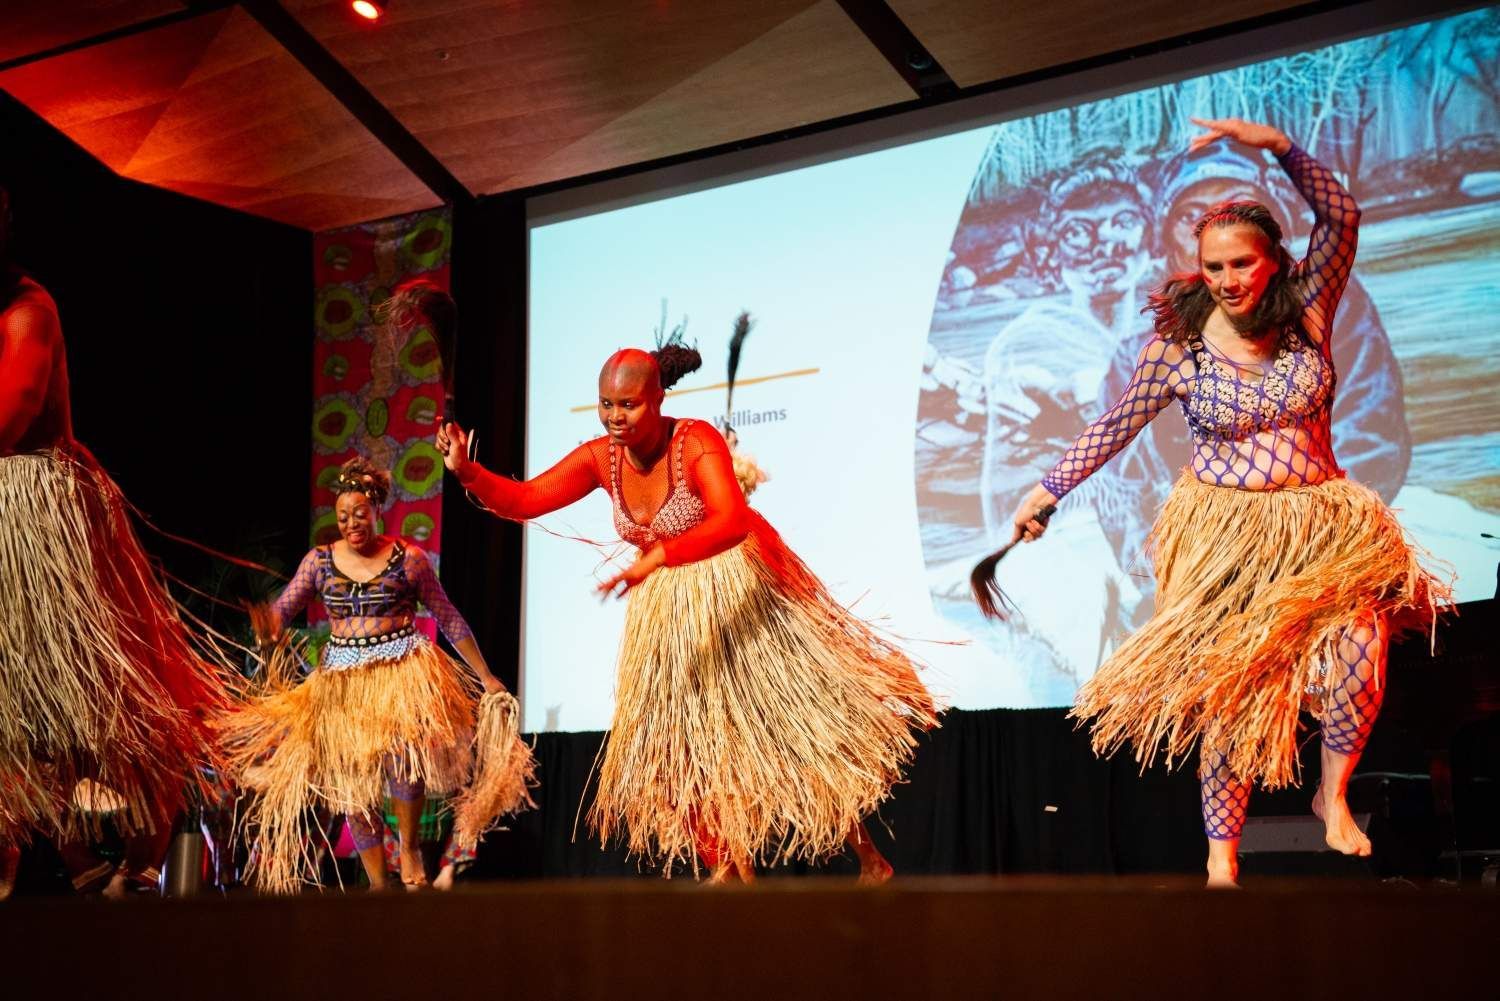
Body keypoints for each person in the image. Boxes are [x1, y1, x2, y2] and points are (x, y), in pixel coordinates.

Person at [997, 119, 1448, 887]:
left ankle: (1331, 795)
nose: (1229, 278)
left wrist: (1279, 147)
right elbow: (1116, 425)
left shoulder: (1310, 309)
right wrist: (1047, 490)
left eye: (1243, 262)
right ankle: (1220, 860)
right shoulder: (1177, 348)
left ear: (1275, 259)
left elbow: (1342, 217)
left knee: (1362, 646)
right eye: (1214, 266)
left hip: (1320, 521)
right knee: (1231, 695)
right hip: (1226, 534)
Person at [436, 342, 936, 882]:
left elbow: (732, 520)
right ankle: (730, 870)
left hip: (734, 597)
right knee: (673, 750)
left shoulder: (695, 441)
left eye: (629, 405)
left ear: (658, 399)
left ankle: (869, 859)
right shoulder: (601, 458)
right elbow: (527, 500)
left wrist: (659, 556)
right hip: (667, 618)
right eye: (606, 404)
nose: (615, 417)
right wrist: (468, 472)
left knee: (782, 734)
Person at [0, 184, 232, 898]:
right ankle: (59, 861)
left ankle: (137, 863)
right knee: (15, 715)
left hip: (43, 518)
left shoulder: (29, 307)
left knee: (111, 701)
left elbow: (15, 408)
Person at [1088, 143, 1412, 623]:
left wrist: (1325, 536)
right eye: (1193, 216)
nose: (1216, 224)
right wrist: (1176, 578)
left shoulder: (1319, 308)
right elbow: (1120, 474)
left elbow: (1371, 424)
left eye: (1235, 206)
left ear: (1269, 243)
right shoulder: (1152, 343)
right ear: (1174, 240)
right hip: (1209, 555)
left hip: (1321, 535)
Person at [218, 457, 532, 892]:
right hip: (342, 685)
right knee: (353, 783)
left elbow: (448, 617)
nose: (351, 524)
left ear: (377, 510)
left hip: (399, 673)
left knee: (404, 761)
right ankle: (377, 884)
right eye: (343, 516)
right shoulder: (319, 562)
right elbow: (283, 610)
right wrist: (267, 625)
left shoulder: (409, 560)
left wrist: (485, 675)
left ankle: (409, 847)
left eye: (359, 514)